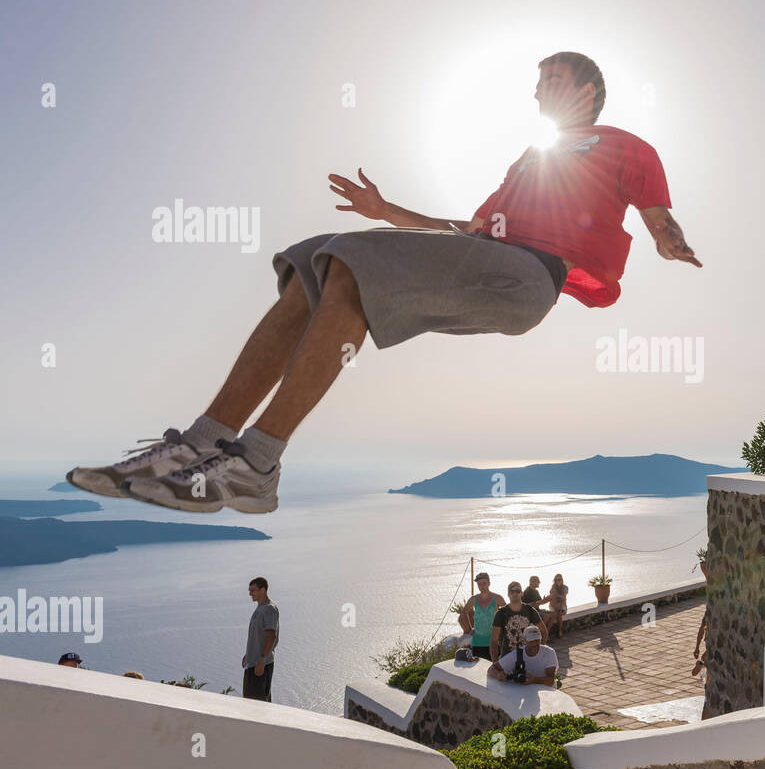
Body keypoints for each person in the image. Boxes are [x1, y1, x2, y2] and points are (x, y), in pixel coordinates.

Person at [65, 52, 701, 514]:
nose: (538, 95)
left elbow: (654, 211)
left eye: (552, 82)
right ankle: (203, 445)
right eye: (536, 86)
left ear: (589, 89)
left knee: (350, 264)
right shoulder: (529, 161)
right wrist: (387, 211)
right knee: (316, 264)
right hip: (490, 259)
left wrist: (668, 239)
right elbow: (470, 228)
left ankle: (257, 461)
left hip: (529, 278)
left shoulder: (624, 146)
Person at [242, 576, 279, 702]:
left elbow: (272, 636)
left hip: (261, 664)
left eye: (253, 590)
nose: (250, 594)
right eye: (249, 590)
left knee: (257, 703)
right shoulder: (260, 607)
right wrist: (247, 655)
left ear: (263, 590)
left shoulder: (269, 608)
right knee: (252, 700)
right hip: (253, 662)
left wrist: (262, 660)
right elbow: (257, 635)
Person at [490, 581, 546, 661]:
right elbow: (493, 641)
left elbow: (544, 632)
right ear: (508, 594)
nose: (515, 593)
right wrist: (495, 663)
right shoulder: (501, 613)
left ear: (522, 593)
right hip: (507, 658)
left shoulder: (530, 610)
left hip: (528, 658)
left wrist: (538, 653)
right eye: (512, 591)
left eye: (518, 591)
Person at [487, 626, 558, 687]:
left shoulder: (549, 652)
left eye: (537, 640)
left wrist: (535, 680)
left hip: (546, 690)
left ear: (540, 639)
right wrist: (498, 675)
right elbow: (491, 669)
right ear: (525, 640)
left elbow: (550, 681)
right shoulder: (517, 654)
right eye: (531, 640)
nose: (535, 643)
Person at [460, 573, 506, 659]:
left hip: (494, 641)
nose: (481, 586)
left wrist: (502, 630)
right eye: (479, 584)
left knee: (494, 667)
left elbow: (507, 614)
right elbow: (463, 613)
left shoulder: (497, 598)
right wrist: (469, 629)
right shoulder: (474, 599)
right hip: (478, 642)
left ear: (489, 583)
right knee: (479, 669)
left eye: (484, 583)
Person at [544, 574, 569, 638]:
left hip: (562, 605)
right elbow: (552, 597)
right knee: (555, 613)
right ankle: (547, 632)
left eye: (559, 579)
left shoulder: (565, 587)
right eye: (556, 580)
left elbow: (564, 598)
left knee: (559, 613)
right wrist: (558, 596)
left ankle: (559, 630)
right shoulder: (553, 587)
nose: (558, 581)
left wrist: (557, 595)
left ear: (562, 580)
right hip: (553, 605)